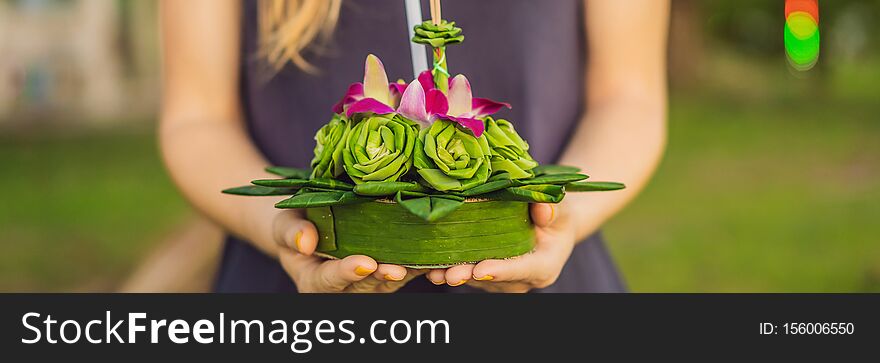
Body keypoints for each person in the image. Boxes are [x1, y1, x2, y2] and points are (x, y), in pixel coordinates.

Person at [159, 0, 669, 293]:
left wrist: (565, 217)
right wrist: (279, 225)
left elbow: (630, 96)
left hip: (552, 278)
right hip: (287, 288)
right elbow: (197, 118)